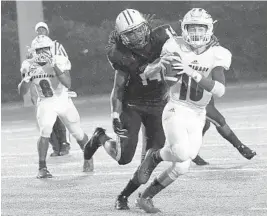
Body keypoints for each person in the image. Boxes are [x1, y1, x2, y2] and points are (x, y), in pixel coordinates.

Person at [83, 9, 218, 209]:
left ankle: (123, 196)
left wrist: (206, 44)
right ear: (122, 37)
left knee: (148, 160)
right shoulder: (119, 53)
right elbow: (119, 87)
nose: (136, 36)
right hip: (132, 105)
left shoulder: (164, 36)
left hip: (161, 105)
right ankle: (100, 137)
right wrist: (114, 113)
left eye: (138, 30)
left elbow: (188, 46)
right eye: (129, 34)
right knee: (123, 158)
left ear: (146, 26)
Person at [135, 8, 232, 213]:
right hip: (176, 108)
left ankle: (145, 197)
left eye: (200, 28)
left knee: (183, 165)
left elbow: (220, 90)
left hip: (198, 113)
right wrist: (158, 67)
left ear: (209, 29)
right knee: (180, 153)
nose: (196, 32)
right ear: (184, 29)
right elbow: (149, 75)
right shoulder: (173, 46)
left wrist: (191, 72)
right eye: (192, 28)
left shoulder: (218, 54)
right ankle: (155, 156)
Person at [18, 35, 93, 178]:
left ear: (51, 49)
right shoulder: (28, 65)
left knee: (77, 132)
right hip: (46, 101)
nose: (43, 52)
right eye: (39, 50)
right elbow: (22, 91)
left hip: (62, 99)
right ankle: (42, 168)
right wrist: (27, 77)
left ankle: (89, 157)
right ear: (34, 51)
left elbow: (68, 84)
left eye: (45, 49)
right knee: (45, 130)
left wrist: (54, 67)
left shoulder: (60, 60)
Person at [34, 22, 71, 156]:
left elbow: (64, 63)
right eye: (38, 30)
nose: (41, 31)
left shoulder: (56, 46)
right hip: (44, 86)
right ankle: (56, 146)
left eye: (43, 29)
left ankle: (64, 144)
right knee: (45, 121)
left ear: (48, 31)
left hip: (57, 83)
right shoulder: (35, 46)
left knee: (60, 116)